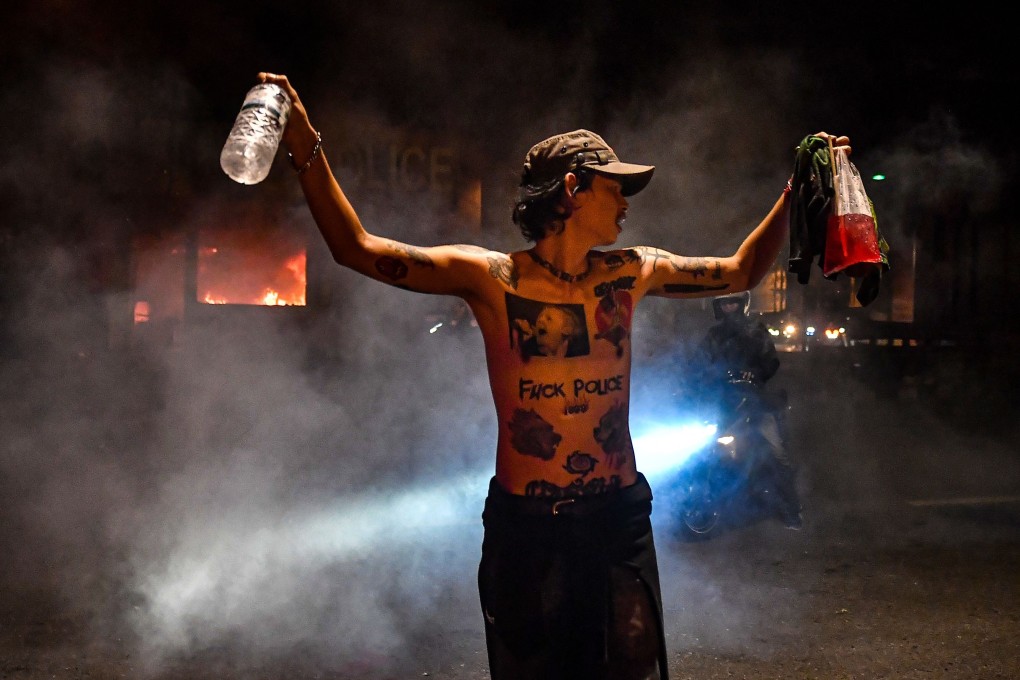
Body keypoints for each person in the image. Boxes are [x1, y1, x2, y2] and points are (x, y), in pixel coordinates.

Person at [258, 71, 848, 680]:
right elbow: (355, 248)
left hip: (616, 519)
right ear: (572, 189)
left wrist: (791, 191)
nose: (625, 202)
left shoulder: (631, 272)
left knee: (633, 659)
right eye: (613, 188)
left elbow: (741, 270)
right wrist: (306, 147)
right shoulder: (490, 278)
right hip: (529, 528)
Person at [692, 291, 803, 529]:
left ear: (742, 304)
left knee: (776, 451)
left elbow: (771, 360)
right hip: (722, 402)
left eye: (733, 302)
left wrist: (754, 373)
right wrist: (697, 380)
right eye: (725, 302)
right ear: (719, 306)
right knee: (699, 445)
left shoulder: (756, 331)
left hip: (755, 401)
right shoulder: (714, 335)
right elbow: (698, 363)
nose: (729, 306)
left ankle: (791, 509)